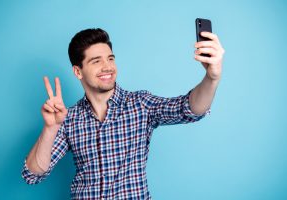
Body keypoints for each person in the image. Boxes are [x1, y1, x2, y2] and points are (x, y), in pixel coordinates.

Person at [21, 28, 225, 199]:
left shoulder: (140, 104)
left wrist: (211, 78)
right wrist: (50, 128)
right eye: (96, 61)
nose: (107, 66)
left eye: (110, 58)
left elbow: (189, 108)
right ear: (78, 71)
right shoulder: (69, 118)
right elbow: (33, 174)